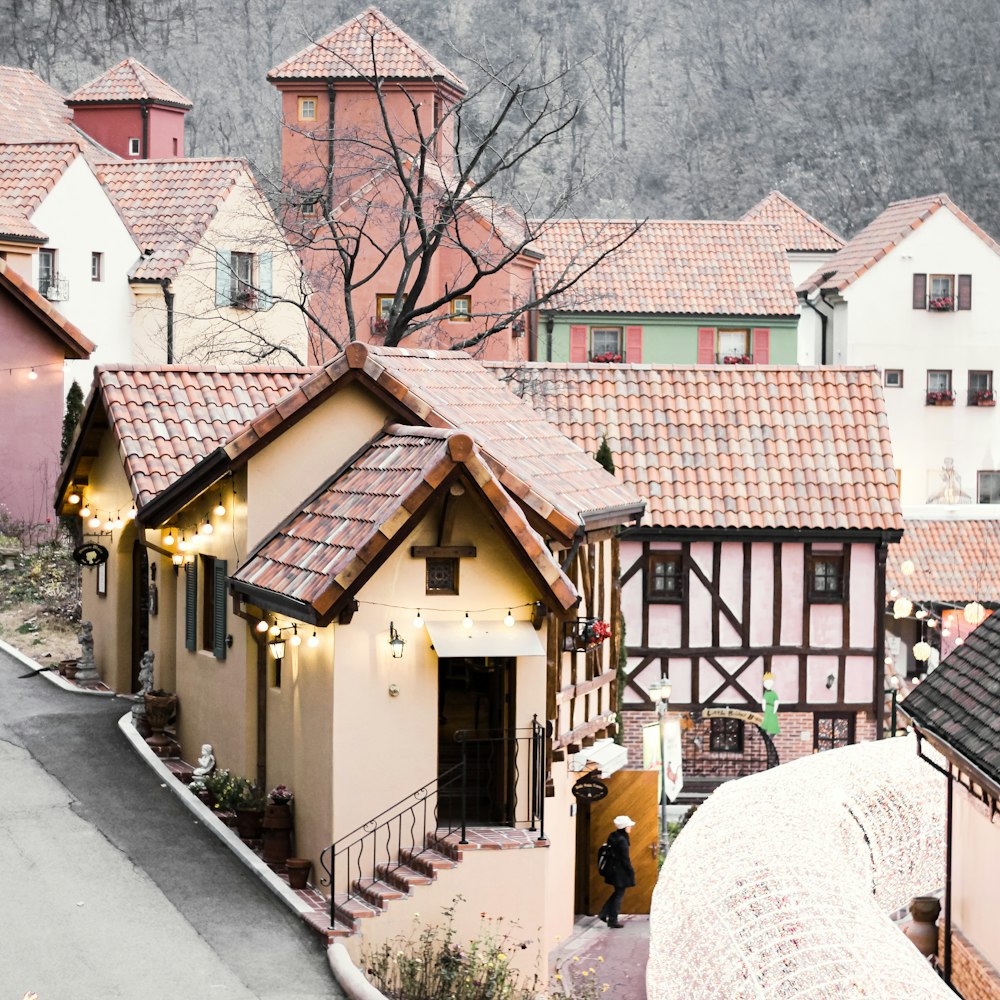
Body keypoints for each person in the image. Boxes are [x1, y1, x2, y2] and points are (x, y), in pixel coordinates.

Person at [597, 815, 636, 928]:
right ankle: (612, 920)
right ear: (624, 827)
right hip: (620, 872)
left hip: (613, 870)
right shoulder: (622, 840)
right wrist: (630, 871)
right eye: (629, 826)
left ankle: (604, 913)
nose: (630, 828)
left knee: (617, 893)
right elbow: (625, 859)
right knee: (619, 895)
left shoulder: (613, 836)